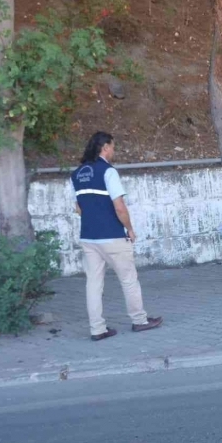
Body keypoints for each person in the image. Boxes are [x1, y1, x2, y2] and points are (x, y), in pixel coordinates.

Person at [71, 132, 163, 341]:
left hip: (88, 237)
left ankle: (97, 329)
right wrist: (129, 229)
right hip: (112, 236)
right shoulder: (108, 172)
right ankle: (139, 320)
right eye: (112, 146)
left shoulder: (75, 174)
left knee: (93, 284)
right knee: (128, 279)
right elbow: (119, 207)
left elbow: (78, 208)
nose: (113, 150)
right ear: (104, 147)